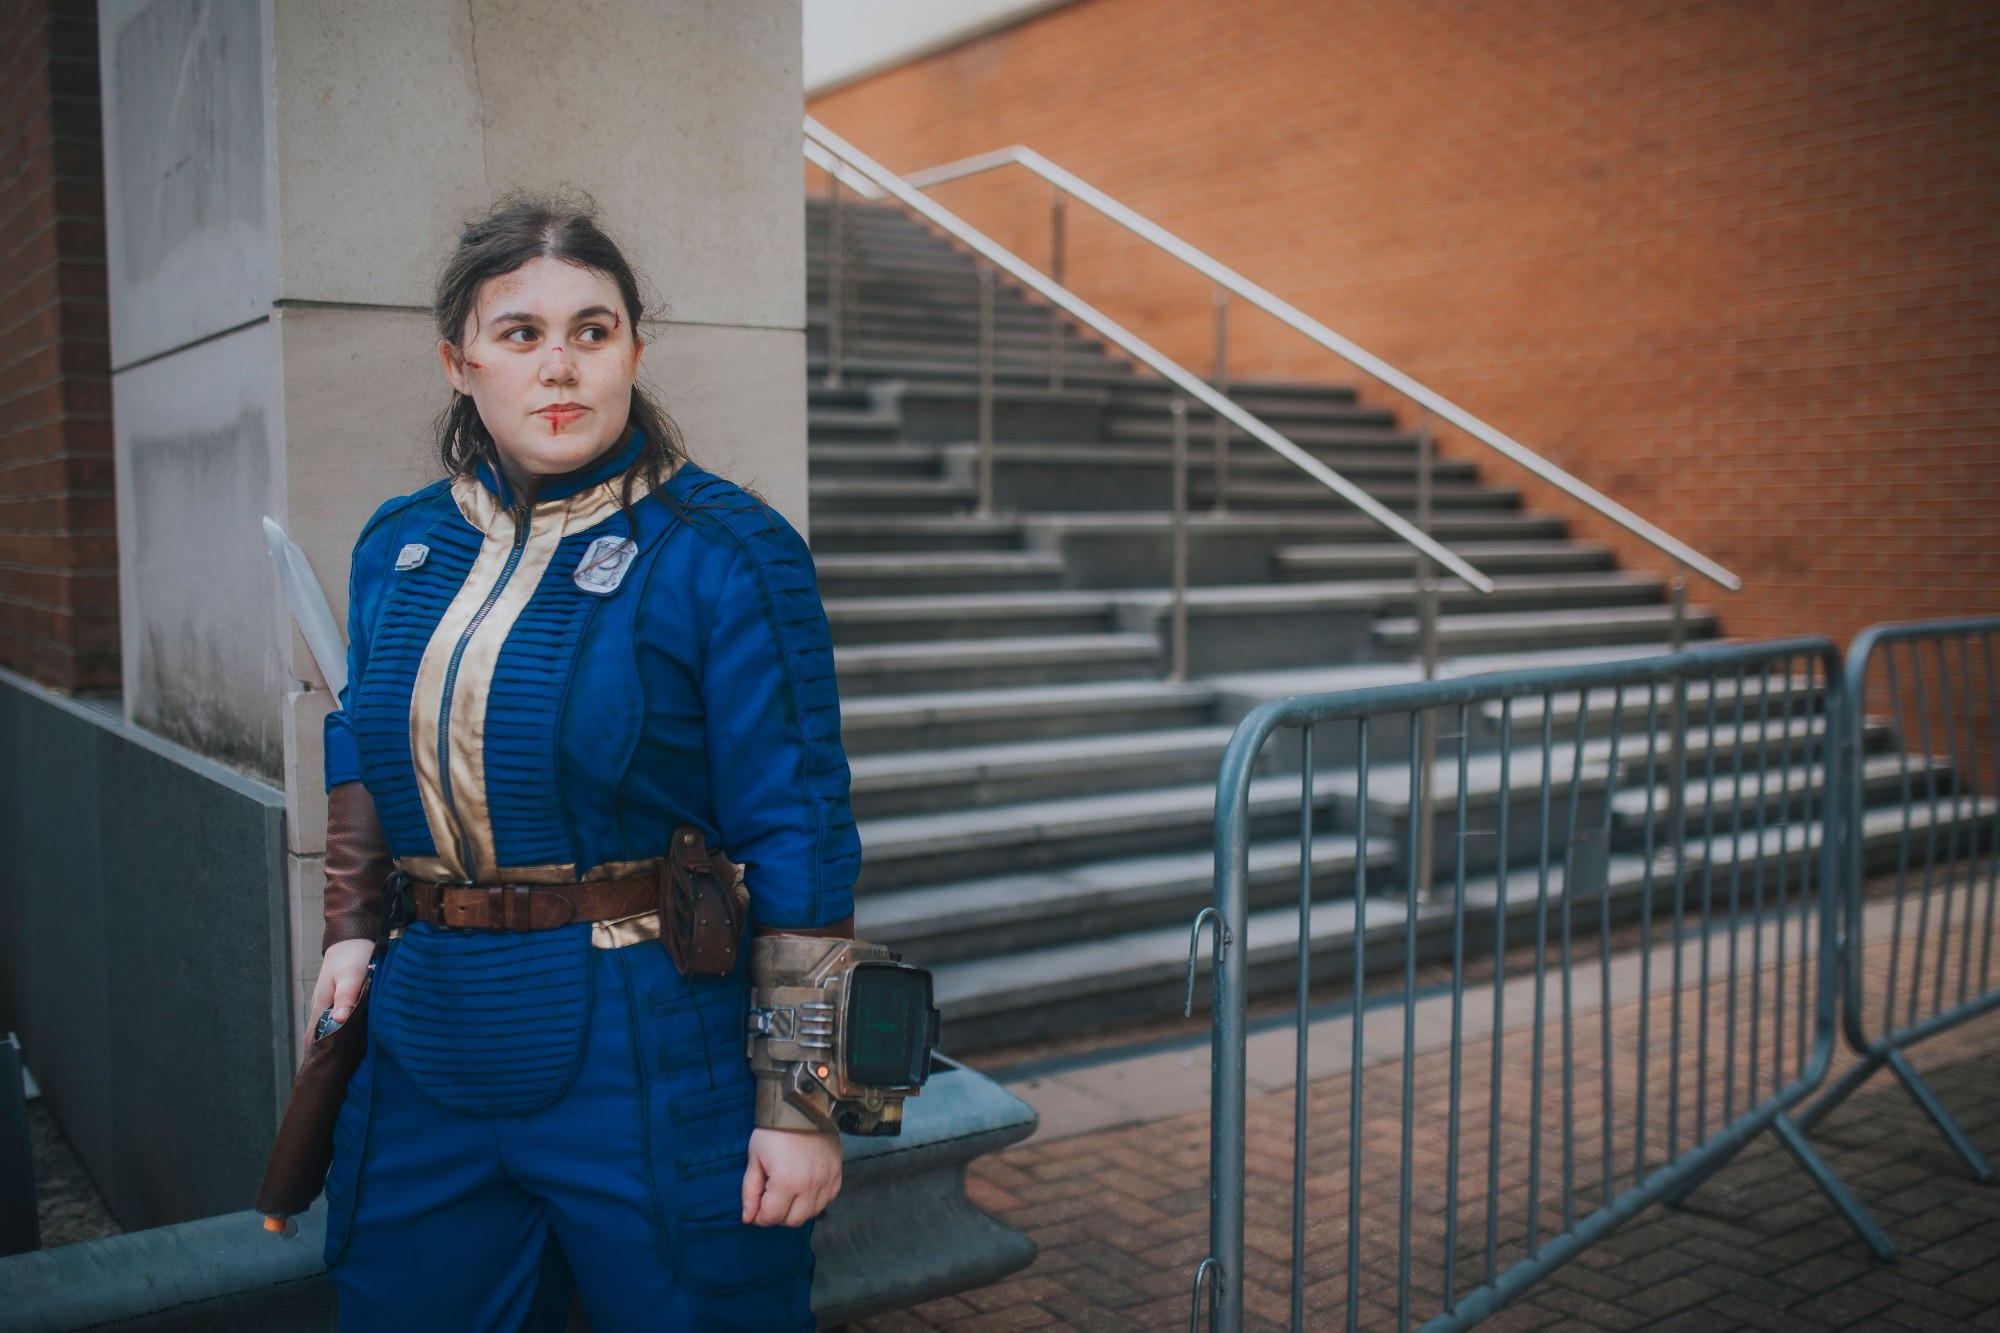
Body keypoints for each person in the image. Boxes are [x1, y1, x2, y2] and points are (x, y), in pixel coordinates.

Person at [306, 192, 861, 1332]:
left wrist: (801, 1101)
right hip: (428, 1037)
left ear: (632, 352)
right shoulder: (396, 545)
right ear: (459, 363)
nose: (559, 366)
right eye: (521, 334)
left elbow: (799, 831)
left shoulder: (726, 554)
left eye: (591, 331)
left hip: (647, 1032)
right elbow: (360, 731)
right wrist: (351, 926)